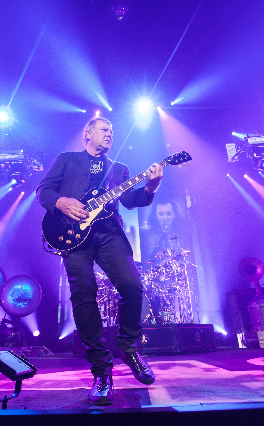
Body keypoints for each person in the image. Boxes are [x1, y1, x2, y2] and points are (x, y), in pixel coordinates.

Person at [37, 117, 163, 405]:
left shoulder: (119, 169)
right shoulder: (67, 159)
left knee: (132, 286)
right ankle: (101, 371)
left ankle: (128, 347)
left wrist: (151, 188)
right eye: (105, 130)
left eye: (112, 132)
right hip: (72, 235)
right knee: (83, 294)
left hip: (109, 234)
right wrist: (60, 202)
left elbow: (130, 201)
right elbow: (44, 190)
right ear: (88, 133)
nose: (110, 135)